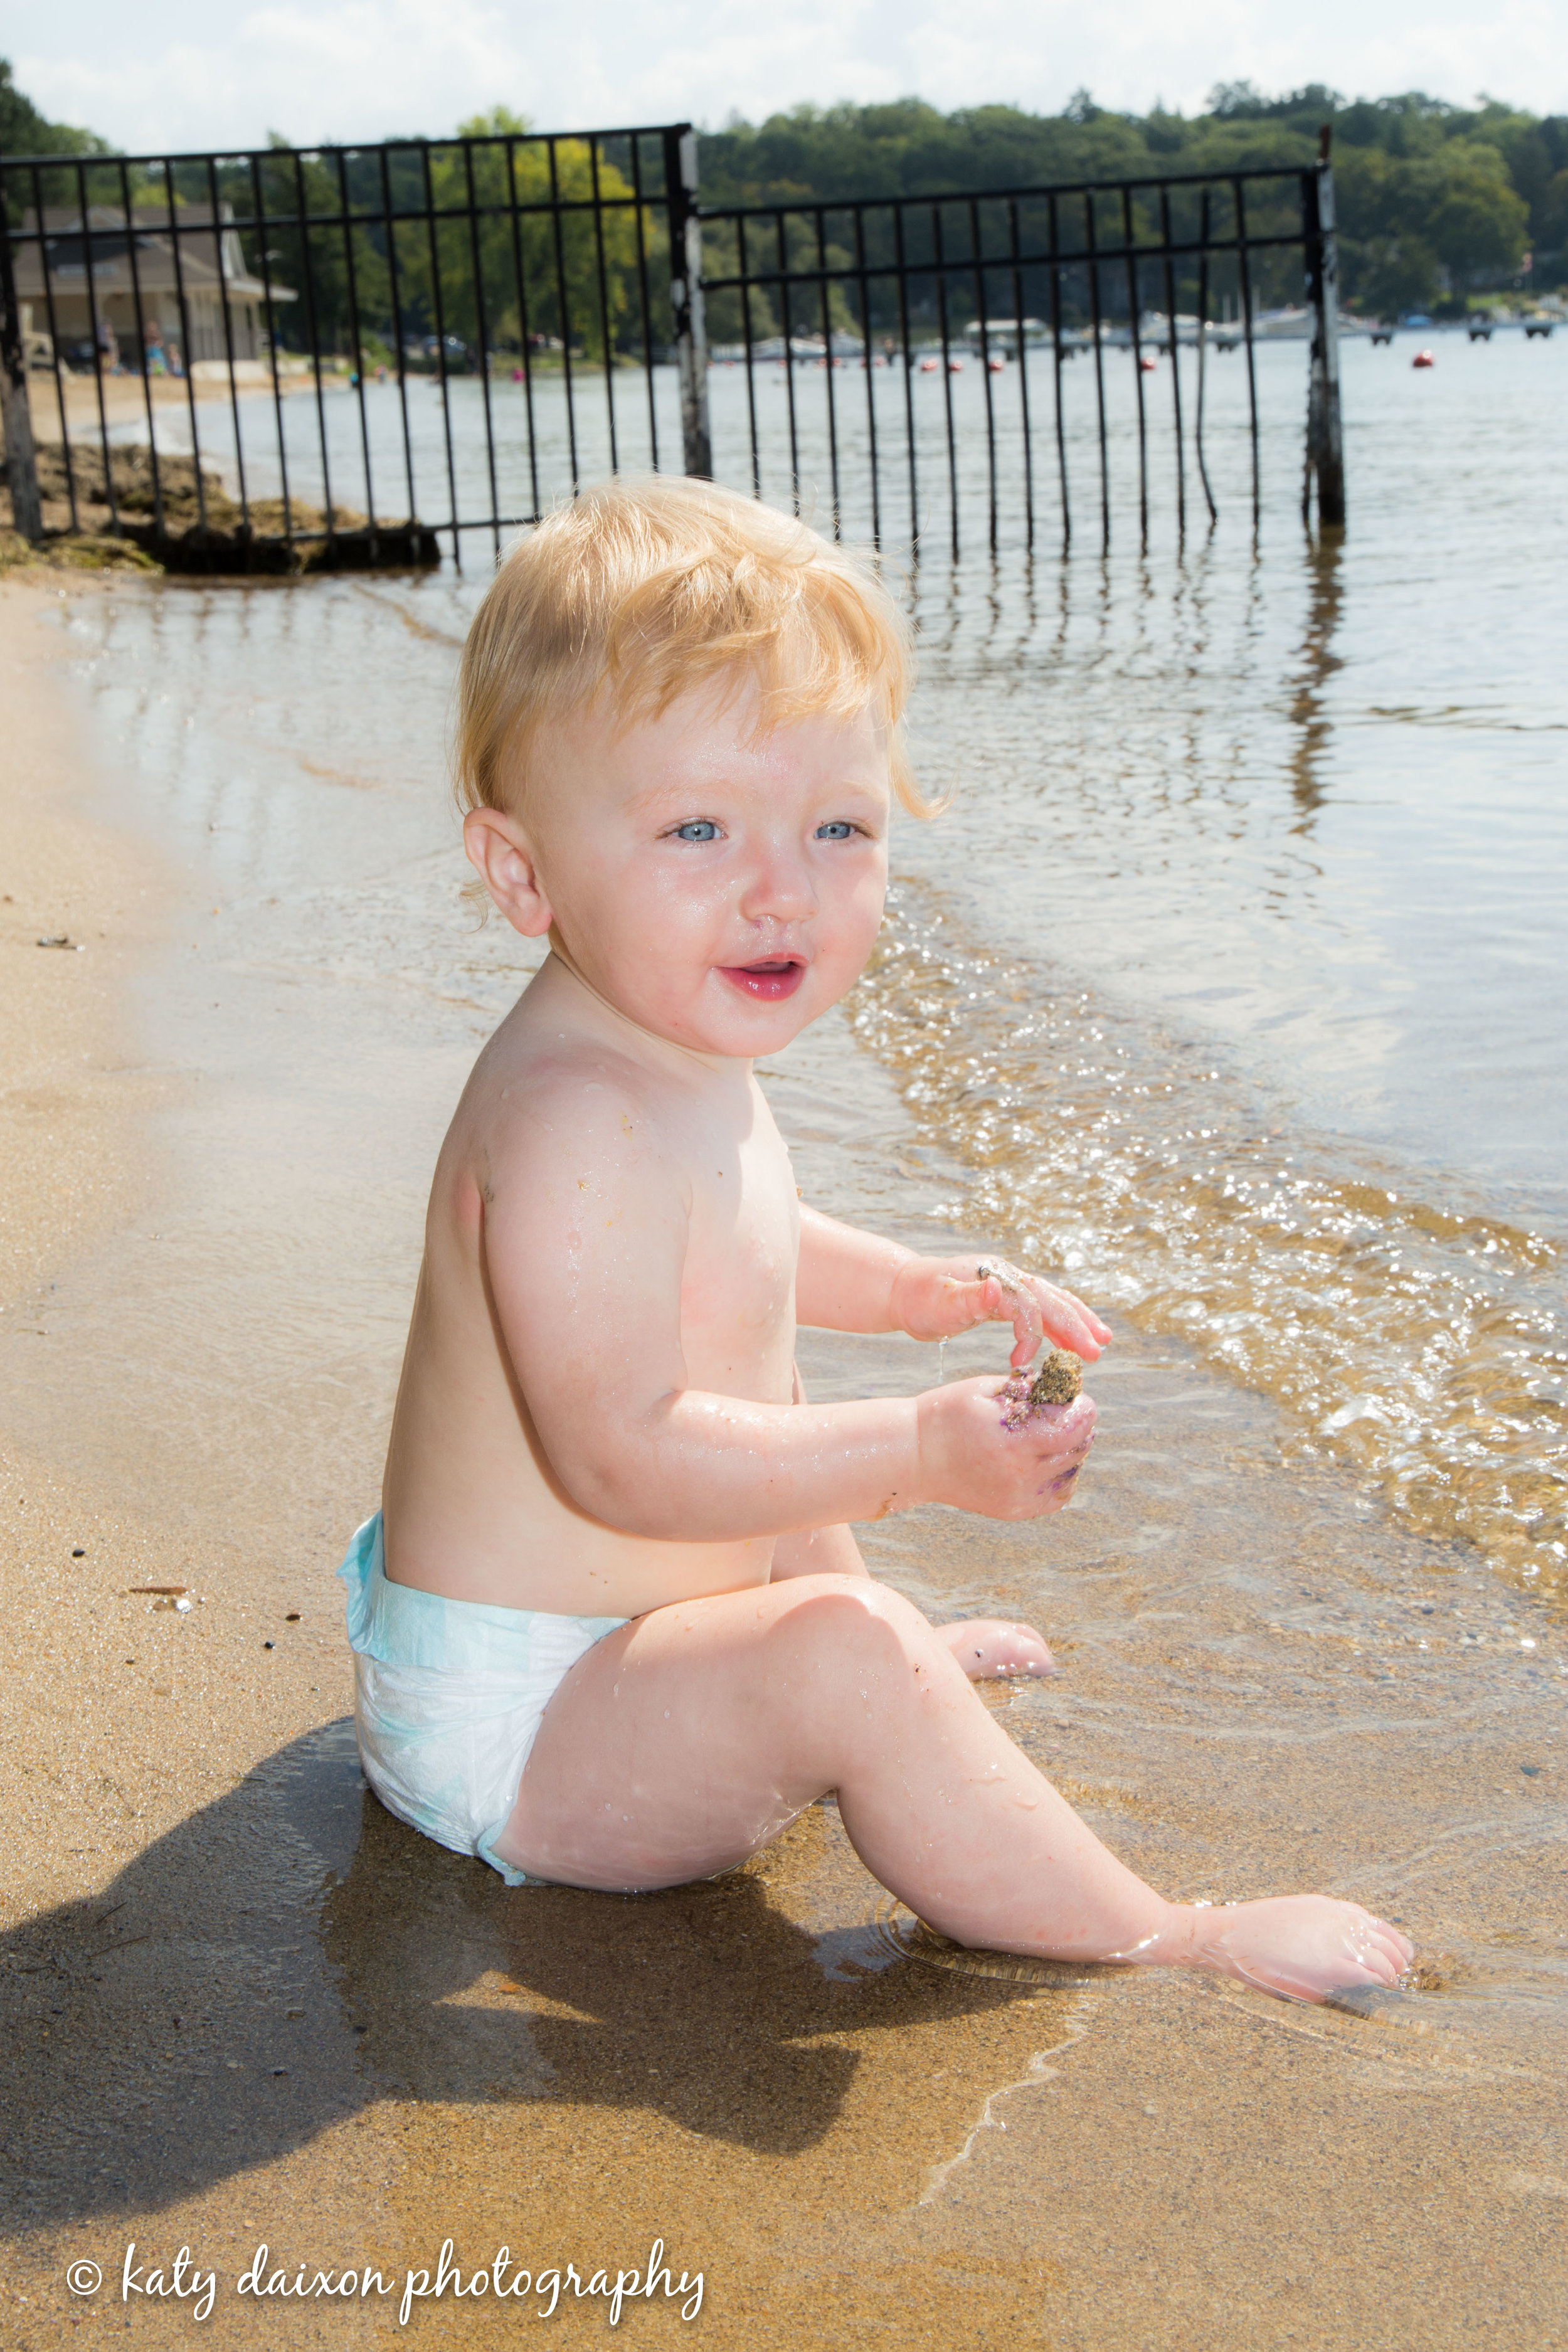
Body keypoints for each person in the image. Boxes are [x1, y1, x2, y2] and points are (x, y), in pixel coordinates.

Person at [340, 477, 1412, 2004]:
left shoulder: (660, 1051)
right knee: (842, 1636)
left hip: (618, 1638)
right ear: (522, 873)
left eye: (836, 824)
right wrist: (915, 1448)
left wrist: (917, 1289)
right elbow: (620, 1458)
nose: (781, 886)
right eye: (697, 826)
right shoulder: (575, 1112)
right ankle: (1160, 1930)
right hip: (522, 1723)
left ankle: (867, 1675)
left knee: (779, 1436)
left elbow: (747, 1236)